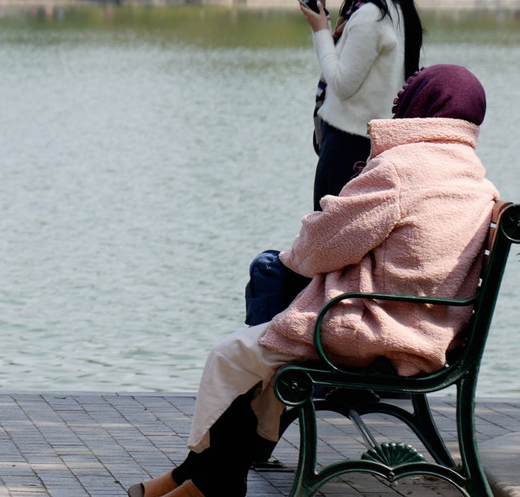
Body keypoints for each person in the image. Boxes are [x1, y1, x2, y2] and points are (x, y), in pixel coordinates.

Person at [127, 64, 498, 497]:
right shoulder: (476, 180)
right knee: (263, 351)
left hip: (370, 330)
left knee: (232, 355)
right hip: (429, 334)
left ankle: (211, 481)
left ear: (421, 107)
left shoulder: (403, 168)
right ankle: (198, 480)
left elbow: (316, 250)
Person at [295, 0, 422, 210]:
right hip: (371, 144)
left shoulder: (370, 15)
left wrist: (319, 28)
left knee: (329, 230)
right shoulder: (393, 8)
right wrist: (323, 18)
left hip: (347, 144)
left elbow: (341, 84)